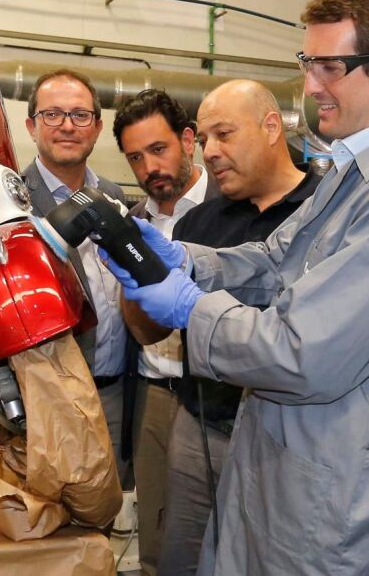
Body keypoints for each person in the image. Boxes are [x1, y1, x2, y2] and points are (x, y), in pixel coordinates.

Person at [102, 0, 369, 574]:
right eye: (308, 63)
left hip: (338, 496)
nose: (311, 85)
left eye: (329, 67)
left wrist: (190, 308)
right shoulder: (359, 172)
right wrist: (188, 260)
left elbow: (301, 352)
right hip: (294, 469)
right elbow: (279, 260)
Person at [158, 79, 320, 575]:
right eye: (204, 138)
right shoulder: (196, 226)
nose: (209, 151)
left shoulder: (325, 213)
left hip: (288, 436)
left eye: (224, 134)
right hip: (201, 427)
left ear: (271, 127)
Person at [112, 88, 216, 575]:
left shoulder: (230, 205)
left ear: (188, 140)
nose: (149, 167)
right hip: (154, 395)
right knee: (156, 534)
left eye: (159, 149)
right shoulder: (132, 223)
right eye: (136, 157)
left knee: (218, 535)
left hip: (217, 398)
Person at [20, 69, 129, 474]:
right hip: (45, 403)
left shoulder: (114, 196)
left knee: (111, 506)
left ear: (97, 127)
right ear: (31, 126)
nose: (67, 126)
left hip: (115, 395)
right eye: (52, 114)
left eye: (81, 115)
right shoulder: (12, 201)